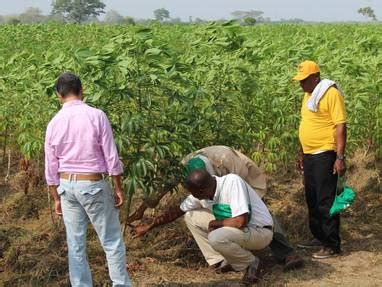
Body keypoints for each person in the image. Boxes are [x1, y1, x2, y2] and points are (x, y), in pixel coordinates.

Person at [132, 146, 303, 271]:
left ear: (209, 175)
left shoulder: (227, 161)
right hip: (214, 190)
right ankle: (224, 258)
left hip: (247, 178)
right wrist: (145, 218)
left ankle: (286, 253)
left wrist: (219, 223)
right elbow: (170, 199)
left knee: (259, 212)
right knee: (193, 215)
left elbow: (244, 211)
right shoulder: (188, 167)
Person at [44, 72, 132, 286]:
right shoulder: (96, 115)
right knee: (111, 241)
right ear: (82, 90)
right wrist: (118, 187)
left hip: (66, 187)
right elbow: (111, 156)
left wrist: (56, 197)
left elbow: (50, 166)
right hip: (92, 183)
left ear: (59, 95)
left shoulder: (54, 123)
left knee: (75, 245)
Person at [293, 61, 347, 259]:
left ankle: (332, 244)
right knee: (312, 198)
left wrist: (339, 157)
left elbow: (340, 126)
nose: (301, 84)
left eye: (304, 80)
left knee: (325, 200)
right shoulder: (309, 96)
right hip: (310, 155)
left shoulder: (331, 94)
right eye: (300, 80)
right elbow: (305, 124)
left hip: (325, 153)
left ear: (315, 77)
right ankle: (319, 236)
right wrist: (301, 152)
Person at [183, 170, 273, 284]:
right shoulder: (206, 190)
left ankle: (252, 263)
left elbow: (240, 222)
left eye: (195, 194)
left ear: (201, 191)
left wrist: (215, 223)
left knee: (215, 238)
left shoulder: (232, 182)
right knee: (191, 217)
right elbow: (179, 210)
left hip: (260, 232)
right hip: (240, 232)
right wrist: (154, 224)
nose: (195, 197)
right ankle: (221, 261)